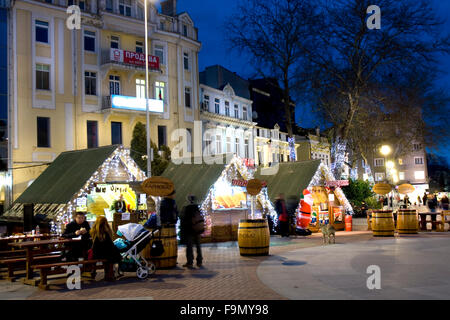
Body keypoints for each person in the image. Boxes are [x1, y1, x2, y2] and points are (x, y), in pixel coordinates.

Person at [90, 216, 122, 281]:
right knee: (110, 256)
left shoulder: (94, 232)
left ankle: (93, 272)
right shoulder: (107, 232)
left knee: (91, 254)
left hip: (99, 253)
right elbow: (110, 245)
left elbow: (95, 247)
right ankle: (109, 275)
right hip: (109, 254)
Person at [179, 195, 203, 269]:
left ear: (188, 200)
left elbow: (183, 219)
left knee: (189, 247)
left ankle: (190, 262)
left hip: (189, 230)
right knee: (198, 246)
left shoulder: (186, 208)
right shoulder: (197, 207)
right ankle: (199, 261)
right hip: (197, 229)